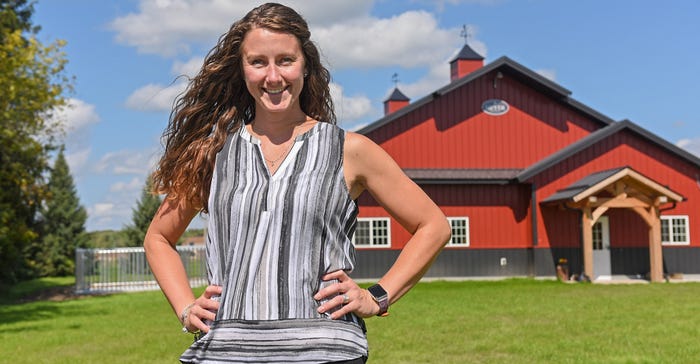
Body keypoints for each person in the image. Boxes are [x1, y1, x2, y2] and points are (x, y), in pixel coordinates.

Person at [144, 3, 451, 363]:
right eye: (258, 62)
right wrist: (185, 307)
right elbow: (159, 238)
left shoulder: (349, 150)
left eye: (285, 60)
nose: (273, 76)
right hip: (227, 350)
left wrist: (377, 297)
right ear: (242, 70)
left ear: (305, 65)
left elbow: (433, 226)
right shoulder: (214, 153)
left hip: (325, 349)